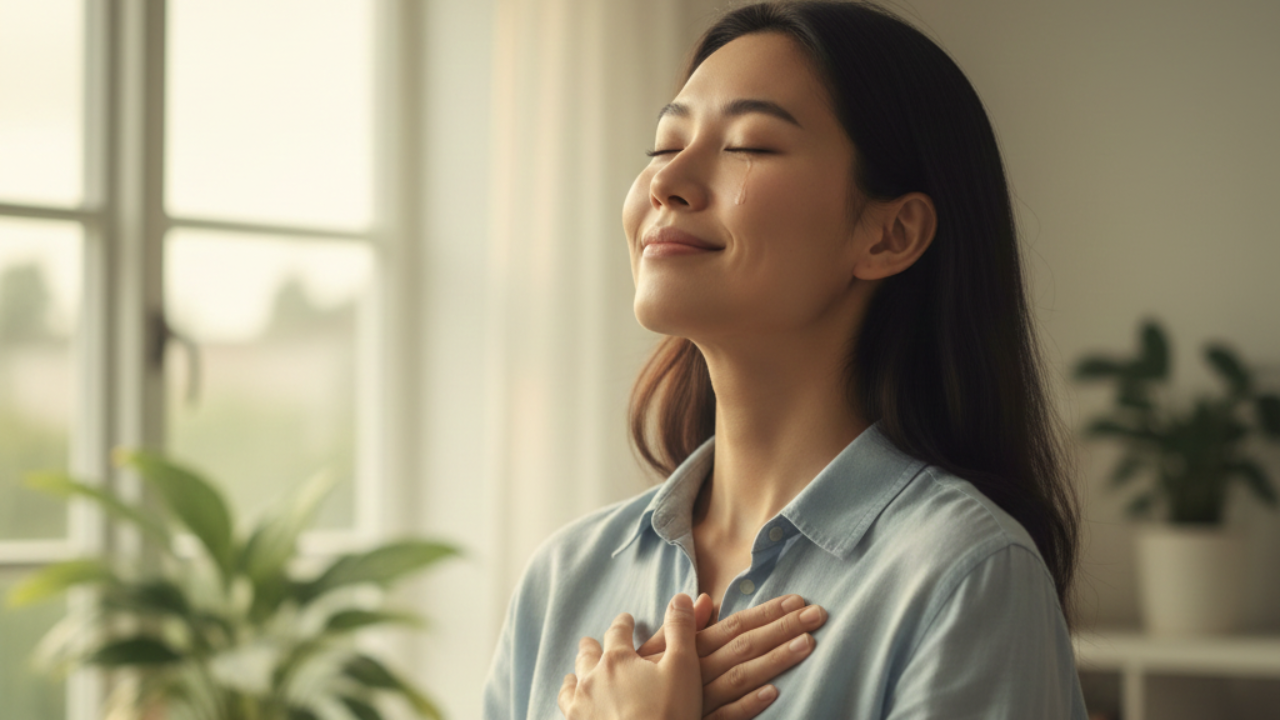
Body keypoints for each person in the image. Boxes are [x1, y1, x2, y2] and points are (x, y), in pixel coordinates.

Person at [484, 2, 1088, 718]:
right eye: (661, 146)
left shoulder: (964, 576)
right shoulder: (563, 577)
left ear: (890, 234)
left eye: (748, 145)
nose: (665, 181)